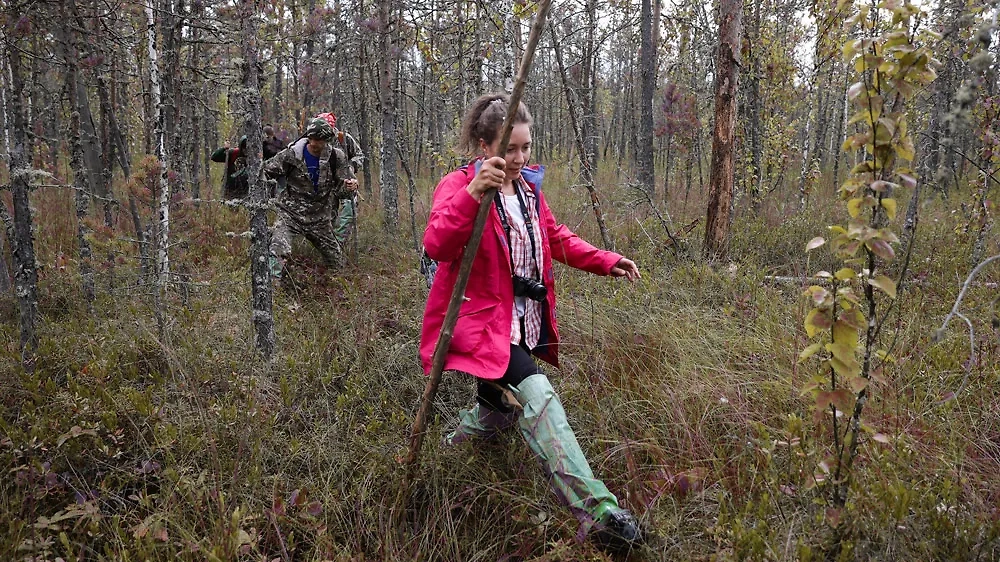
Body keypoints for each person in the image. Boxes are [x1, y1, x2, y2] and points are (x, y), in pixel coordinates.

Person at [420, 94, 645, 554]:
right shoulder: (459, 186)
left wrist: (606, 260)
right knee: (536, 395)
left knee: (501, 409)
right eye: (512, 149)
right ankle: (597, 512)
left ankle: (452, 444)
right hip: (482, 325)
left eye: (527, 147)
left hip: (522, 320)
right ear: (484, 146)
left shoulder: (527, 191)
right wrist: (472, 194)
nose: (521, 158)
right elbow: (437, 243)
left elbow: (554, 237)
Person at [263, 117, 358, 278]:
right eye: (311, 138)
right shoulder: (292, 154)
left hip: (320, 218)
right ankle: (272, 292)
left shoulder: (337, 157)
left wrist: (350, 187)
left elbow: (342, 189)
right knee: (277, 250)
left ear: (327, 140)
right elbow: (265, 171)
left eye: (318, 140)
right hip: (290, 215)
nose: (314, 143)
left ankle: (335, 292)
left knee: (337, 263)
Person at [315, 112, 364, 250]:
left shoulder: (343, 139)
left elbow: (359, 155)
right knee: (328, 217)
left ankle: (339, 245)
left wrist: (351, 166)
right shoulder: (314, 140)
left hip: (345, 182)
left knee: (349, 210)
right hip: (325, 185)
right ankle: (327, 247)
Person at [210, 135, 249, 199]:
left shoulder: (255, 156)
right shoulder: (234, 153)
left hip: (246, 189)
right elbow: (214, 157)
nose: (245, 150)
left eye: (247, 148)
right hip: (232, 187)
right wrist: (224, 148)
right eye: (244, 148)